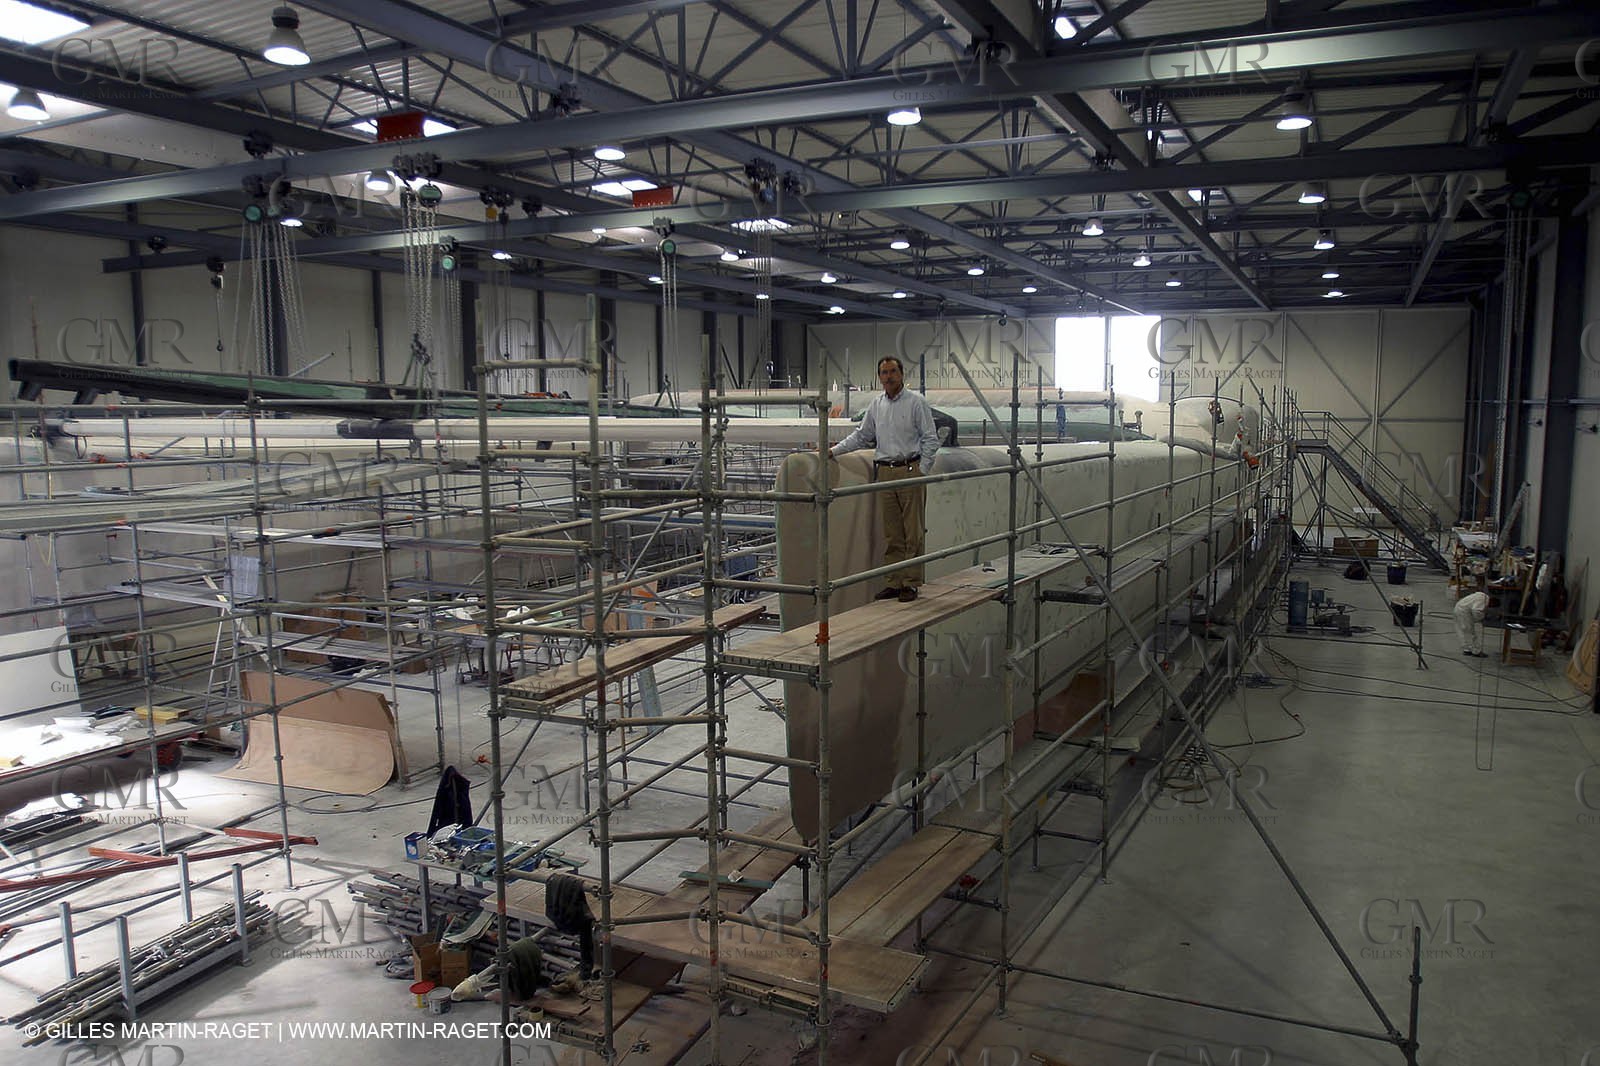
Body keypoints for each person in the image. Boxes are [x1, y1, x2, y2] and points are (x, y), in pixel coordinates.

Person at [828, 357, 940, 602]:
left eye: (892, 371)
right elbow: (862, 436)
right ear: (879, 377)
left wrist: (922, 469)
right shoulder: (877, 405)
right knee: (892, 532)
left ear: (901, 374)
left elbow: (931, 438)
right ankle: (894, 581)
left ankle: (910, 583)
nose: (888, 377)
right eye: (884, 373)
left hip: (909, 469)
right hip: (885, 472)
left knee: (912, 532)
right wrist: (833, 451)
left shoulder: (916, 402)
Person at [1455, 586, 1491, 658]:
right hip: (1463, 611)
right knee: (1470, 631)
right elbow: (1476, 610)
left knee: (1463, 631)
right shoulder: (1485, 599)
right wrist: (1481, 617)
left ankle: (1467, 649)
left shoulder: (1480, 595)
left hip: (1458, 608)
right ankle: (1476, 651)